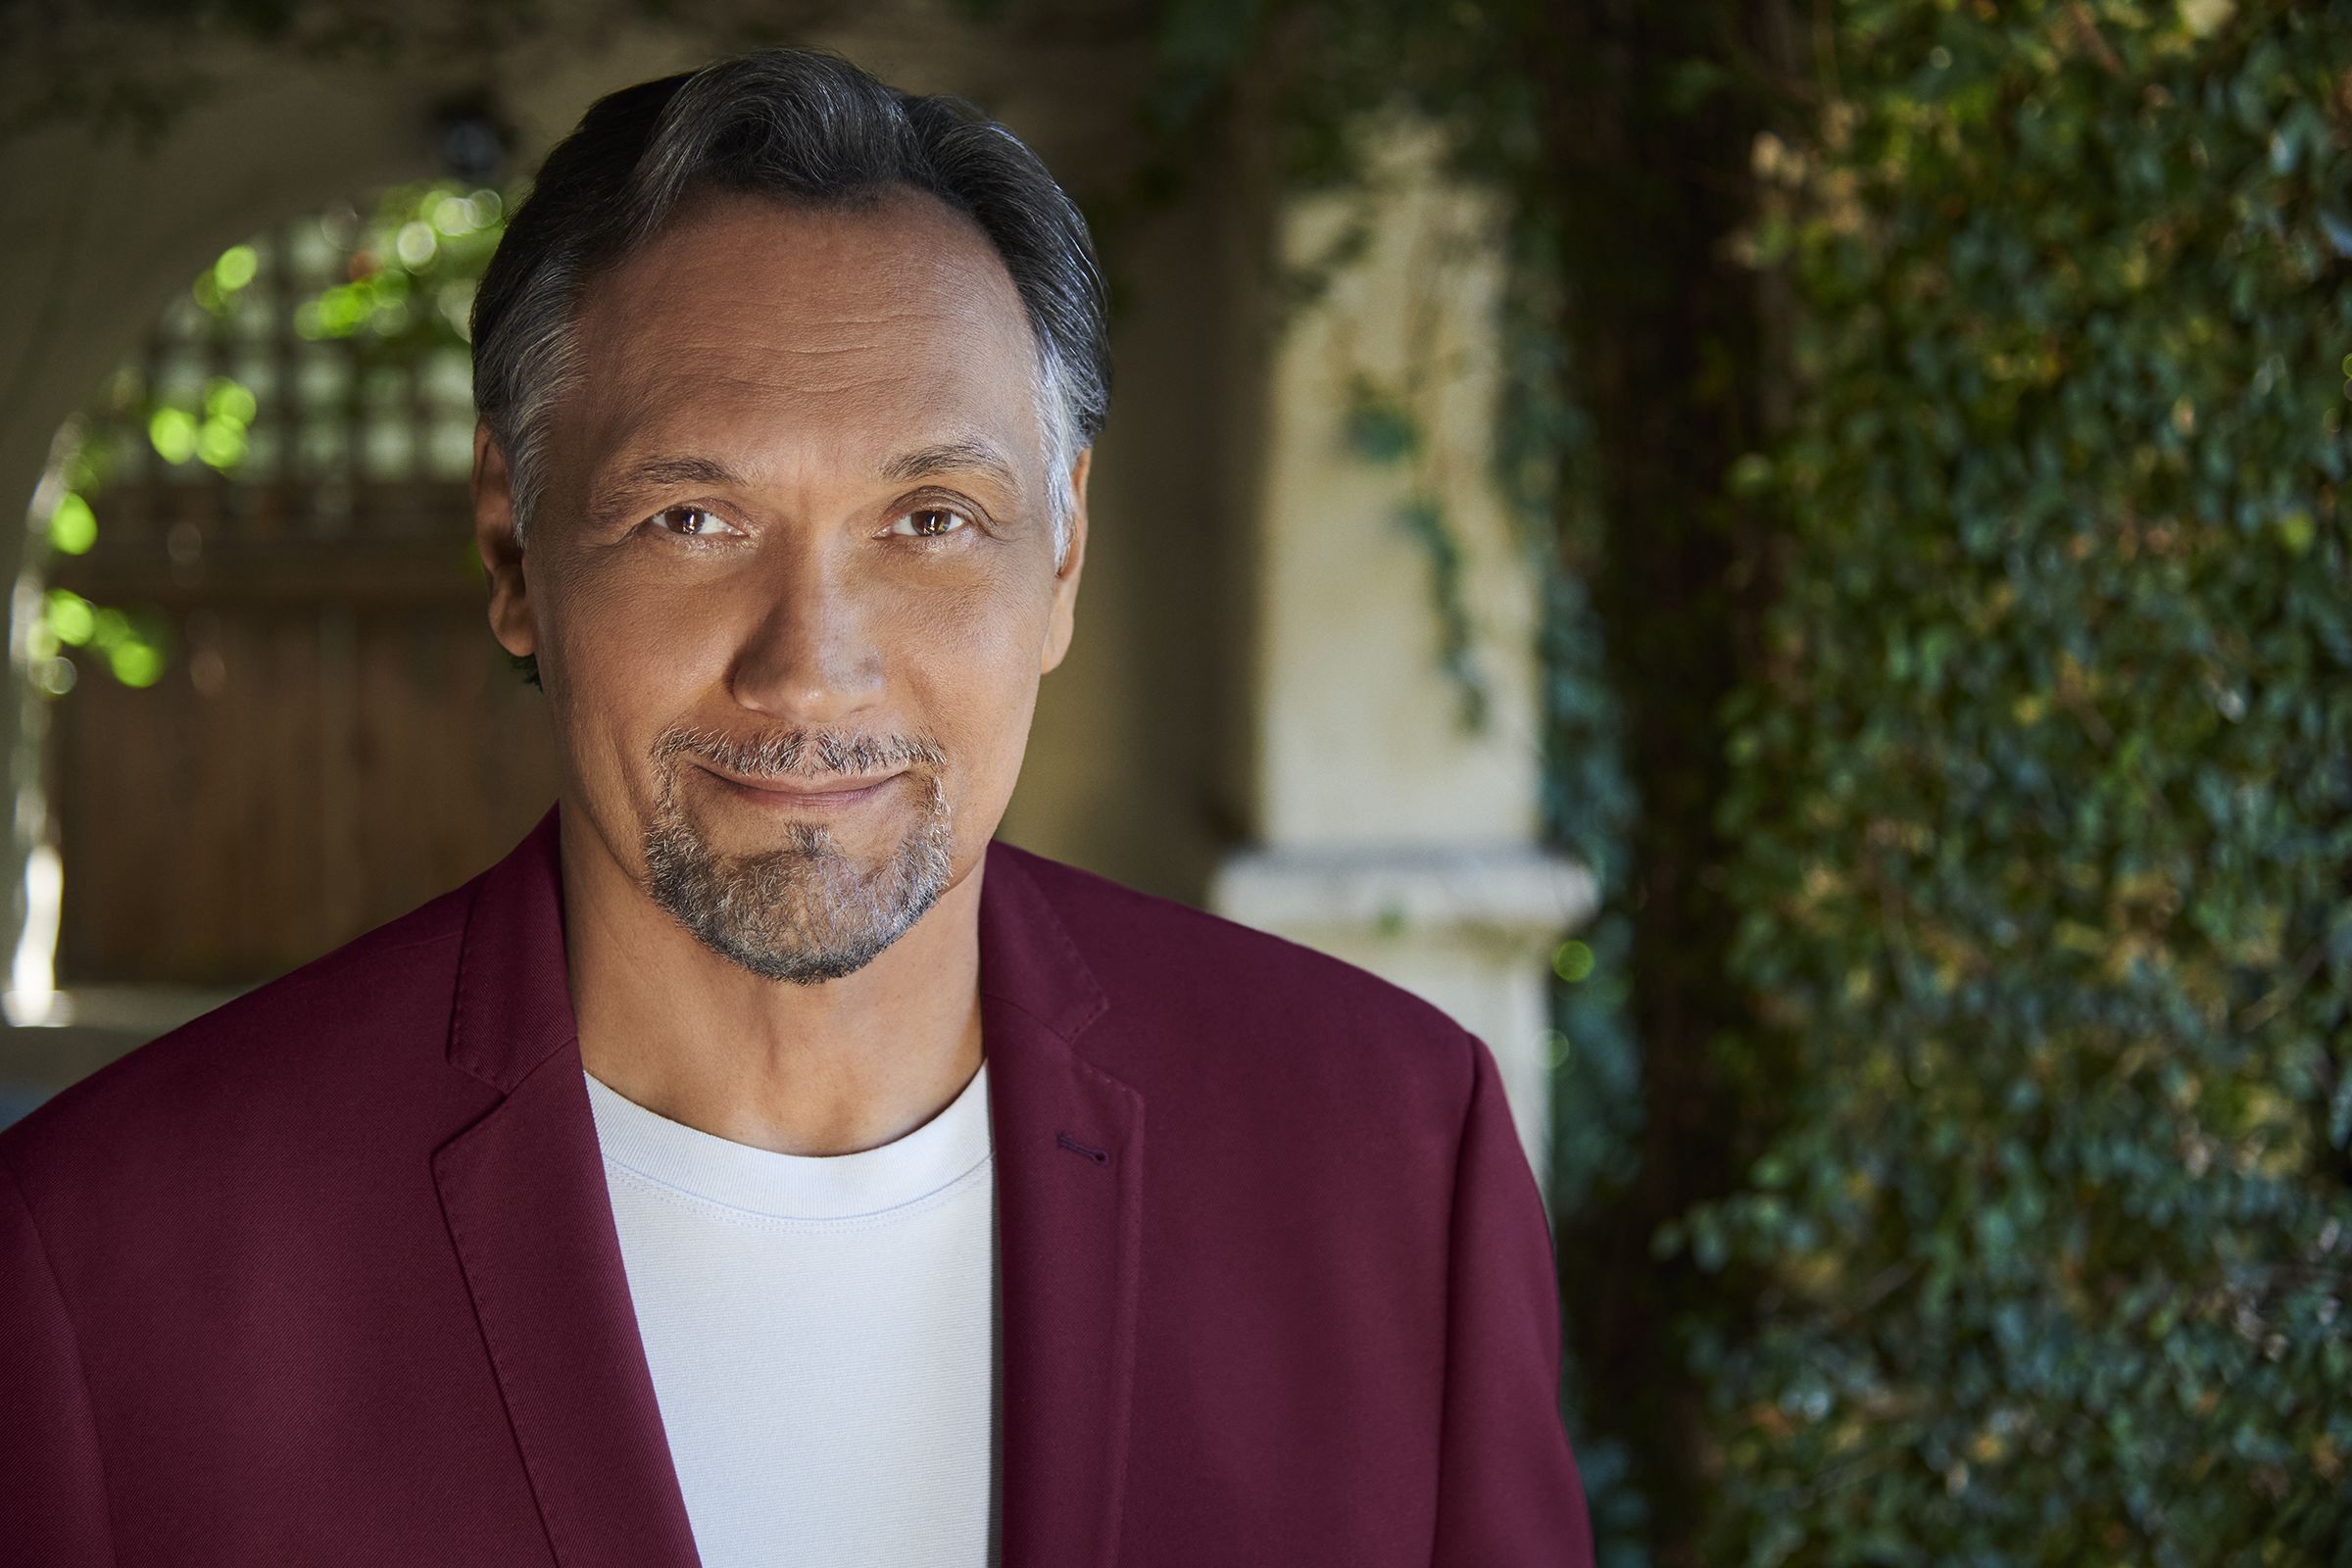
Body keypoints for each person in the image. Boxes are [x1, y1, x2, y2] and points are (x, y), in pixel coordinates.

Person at [0, 47, 1593, 1567]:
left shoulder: (1391, 1159)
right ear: (513, 550)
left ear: (1062, 559)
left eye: (931, 516)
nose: (812, 672)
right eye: (692, 515)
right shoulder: (112, 1257)